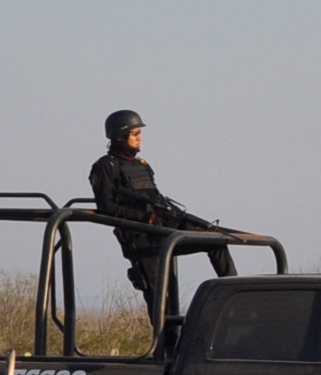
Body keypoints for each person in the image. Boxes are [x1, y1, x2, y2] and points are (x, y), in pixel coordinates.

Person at [89, 109, 233, 322]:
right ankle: (165, 342)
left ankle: (233, 295)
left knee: (215, 240)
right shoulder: (105, 166)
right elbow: (106, 207)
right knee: (159, 299)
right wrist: (142, 217)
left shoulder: (141, 165)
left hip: (163, 229)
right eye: (135, 133)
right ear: (120, 136)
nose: (140, 138)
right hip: (141, 239)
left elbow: (154, 197)